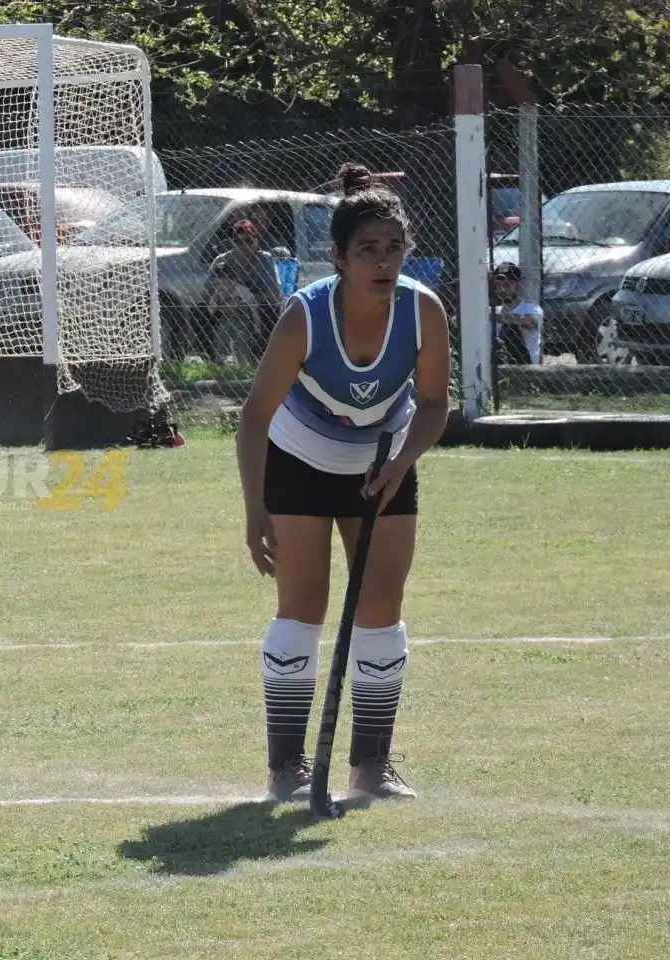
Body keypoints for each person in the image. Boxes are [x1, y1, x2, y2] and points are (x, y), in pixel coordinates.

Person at [236, 162, 452, 804]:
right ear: (338, 257)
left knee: (380, 609)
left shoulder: (424, 311)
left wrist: (401, 461)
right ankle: (285, 768)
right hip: (299, 462)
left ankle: (371, 766)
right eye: (368, 250)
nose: (383, 263)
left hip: (384, 465)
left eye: (394, 249)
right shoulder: (306, 316)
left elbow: (436, 403)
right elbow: (254, 416)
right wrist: (255, 510)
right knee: (303, 608)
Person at [206, 217, 282, 361]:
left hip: (256, 309)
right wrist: (222, 304)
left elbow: (274, 295)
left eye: (248, 241)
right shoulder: (222, 261)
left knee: (270, 311)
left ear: (256, 241)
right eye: (238, 242)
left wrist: (242, 303)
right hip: (225, 308)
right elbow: (207, 293)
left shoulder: (265, 259)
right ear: (232, 243)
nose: (244, 246)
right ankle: (213, 359)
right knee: (201, 312)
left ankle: (261, 357)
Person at [491, 262, 543, 365]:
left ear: (518, 284)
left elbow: (530, 321)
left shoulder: (531, 308)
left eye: (507, 284)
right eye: (498, 284)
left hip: (526, 369)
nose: (502, 289)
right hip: (498, 366)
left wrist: (491, 317)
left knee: (510, 329)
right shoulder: (494, 311)